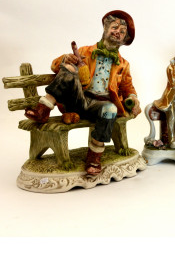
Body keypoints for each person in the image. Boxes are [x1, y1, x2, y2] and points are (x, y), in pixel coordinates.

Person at [25, 10, 141, 175]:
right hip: (79, 99)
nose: (118, 32)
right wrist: (65, 59)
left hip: (100, 106)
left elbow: (128, 87)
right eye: (115, 27)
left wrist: (133, 98)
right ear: (105, 28)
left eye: (122, 32)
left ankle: (94, 156)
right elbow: (54, 66)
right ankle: (43, 109)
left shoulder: (123, 64)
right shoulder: (85, 51)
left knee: (111, 109)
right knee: (69, 67)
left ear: (125, 39)